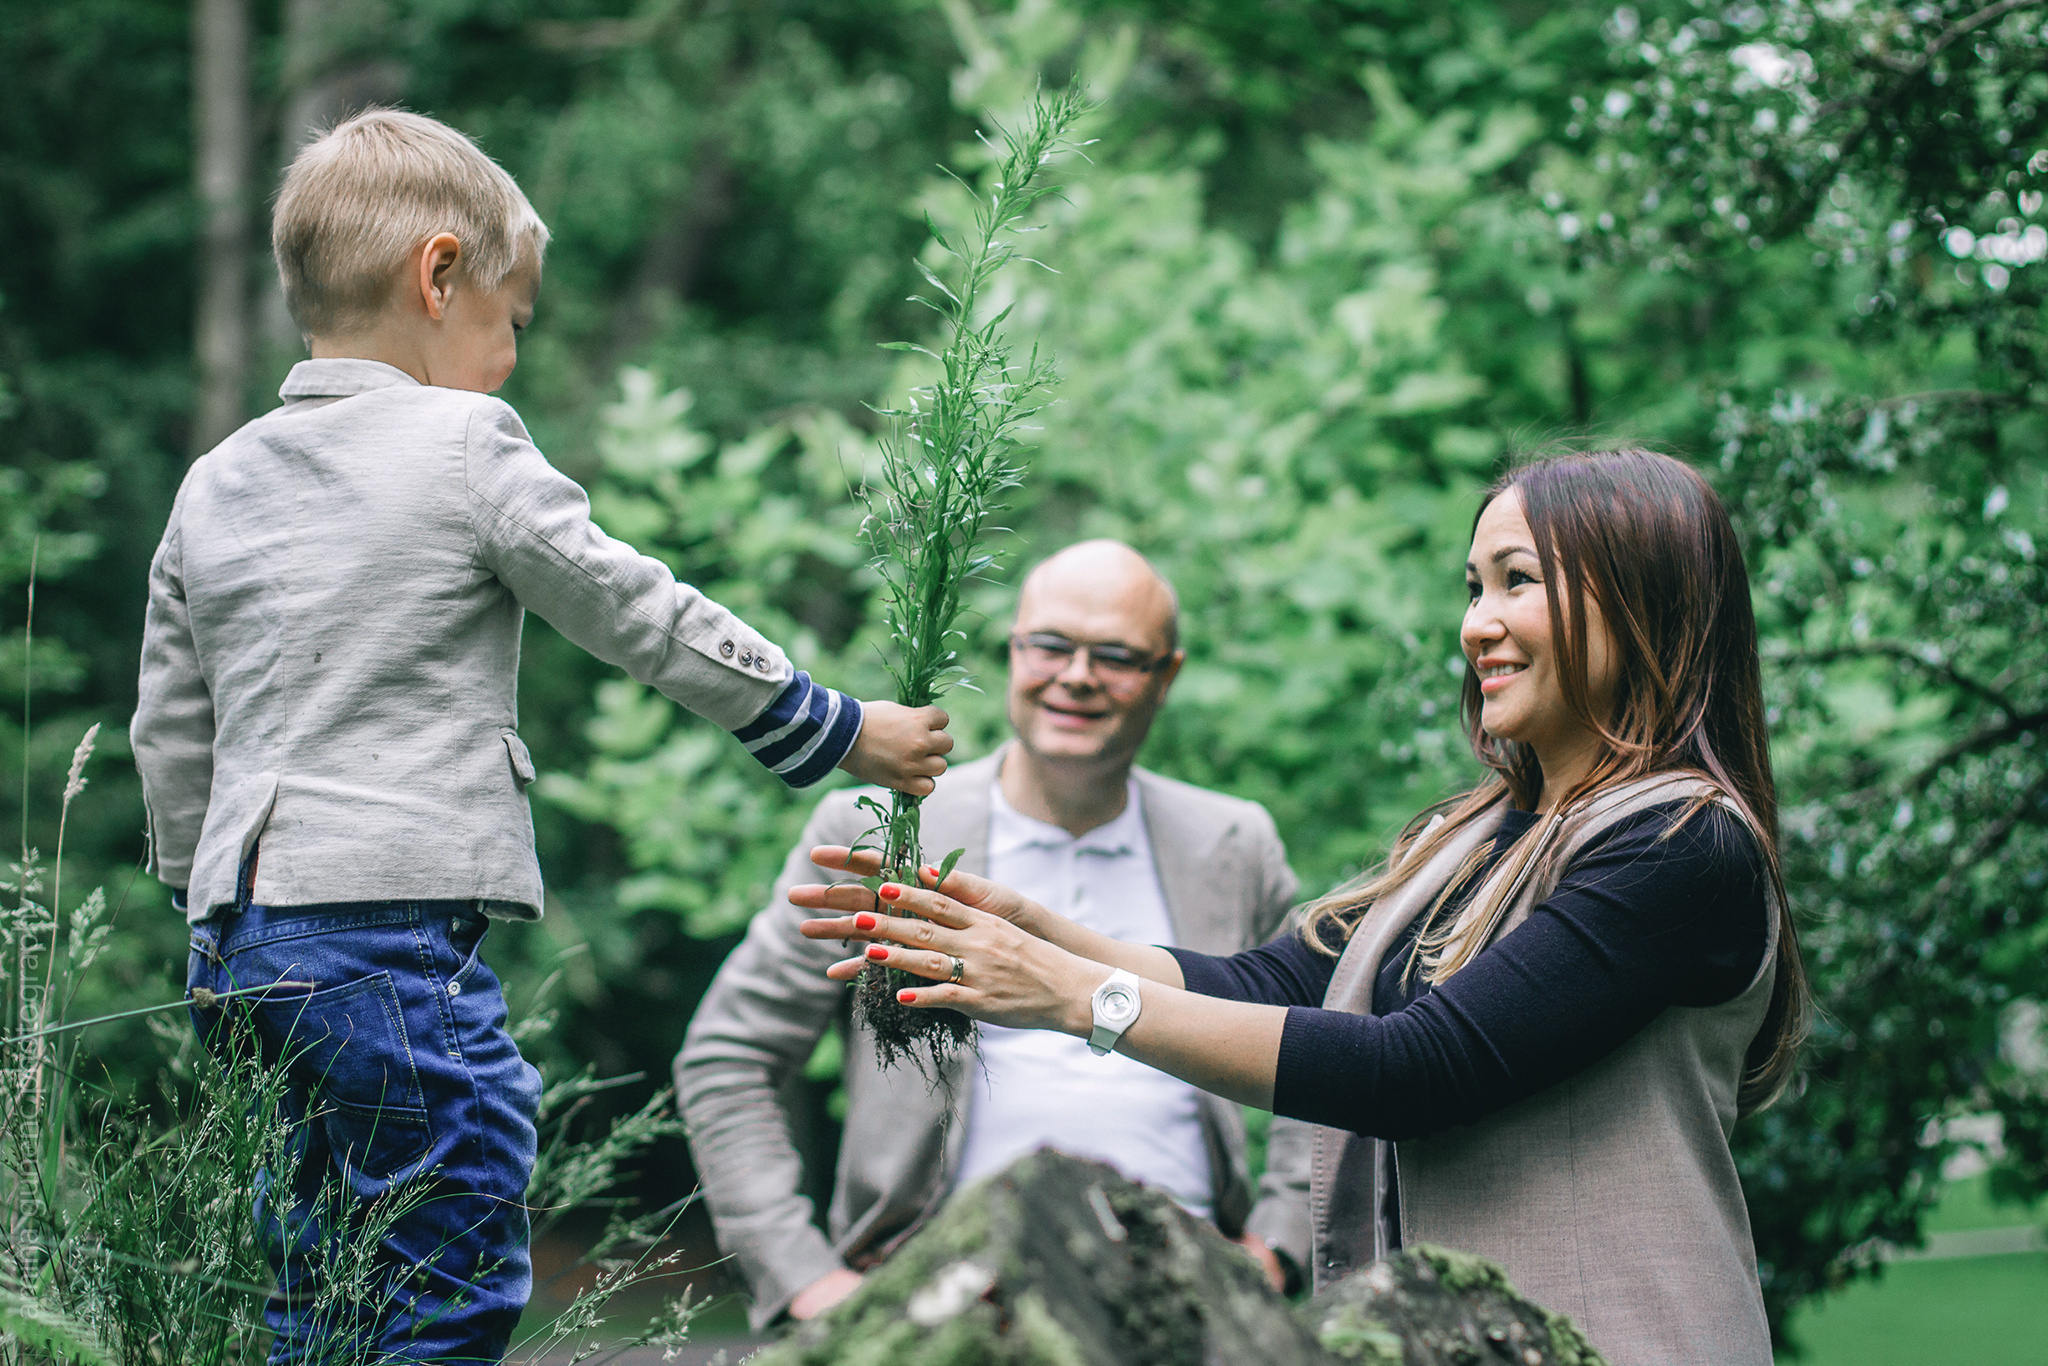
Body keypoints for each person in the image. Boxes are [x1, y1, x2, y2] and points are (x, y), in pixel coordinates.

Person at [132, 109, 950, 1366]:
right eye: (511, 322)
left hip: (236, 944)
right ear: (439, 273)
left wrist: (203, 892)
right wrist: (830, 726)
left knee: (309, 1269)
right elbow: (633, 607)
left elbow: (170, 721)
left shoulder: (216, 479)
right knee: (446, 1259)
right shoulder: (464, 444)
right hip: (387, 934)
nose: (511, 358)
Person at [795, 450, 1809, 1366]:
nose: (1475, 624)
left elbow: (1417, 1068)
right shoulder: (1467, 835)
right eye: (1471, 586)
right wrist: (1029, 930)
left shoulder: (1680, 847)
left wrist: (1072, 995)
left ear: (1641, 600)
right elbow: (1275, 981)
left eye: (1516, 581)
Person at [676, 539, 1313, 1330]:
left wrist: (1282, 1244)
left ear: (1166, 676)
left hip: (1185, 1303)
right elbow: (729, 1054)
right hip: (936, 1297)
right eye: (1051, 645)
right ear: (1013, 651)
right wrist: (806, 1280)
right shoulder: (888, 830)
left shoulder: (1231, 846)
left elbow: (1321, 1047)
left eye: (1115, 655)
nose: (1076, 675)